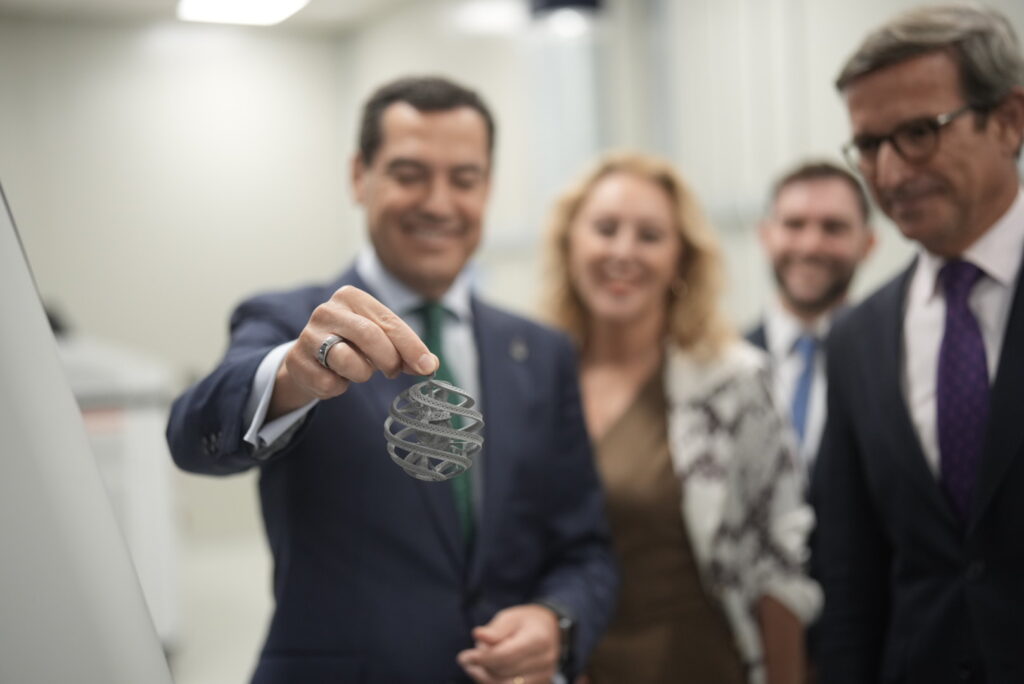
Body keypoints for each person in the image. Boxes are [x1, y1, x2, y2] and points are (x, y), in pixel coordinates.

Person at [166, 75, 618, 684]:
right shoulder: (293, 324)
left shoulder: (541, 353)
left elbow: (585, 548)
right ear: (360, 176)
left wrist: (555, 621)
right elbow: (191, 435)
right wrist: (293, 375)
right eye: (409, 174)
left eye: (464, 179)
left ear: (487, 187)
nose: (439, 203)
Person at [541, 151, 821, 684]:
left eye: (649, 236)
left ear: (681, 260)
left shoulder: (734, 383)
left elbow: (779, 567)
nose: (623, 251)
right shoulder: (534, 379)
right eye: (605, 229)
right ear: (569, 244)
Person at [813, 5, 1024, 682]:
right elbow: (850, 573)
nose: (889, 173)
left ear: (1009, 121)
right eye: (868, 146)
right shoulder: (857, 338)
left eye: (917, 133)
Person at [747, 161, 875, 471]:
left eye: (833, 227)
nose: (811, 246)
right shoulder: (725, 364)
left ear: (868, 244)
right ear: (765, 236)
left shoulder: (892, 363)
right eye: (794, 225)